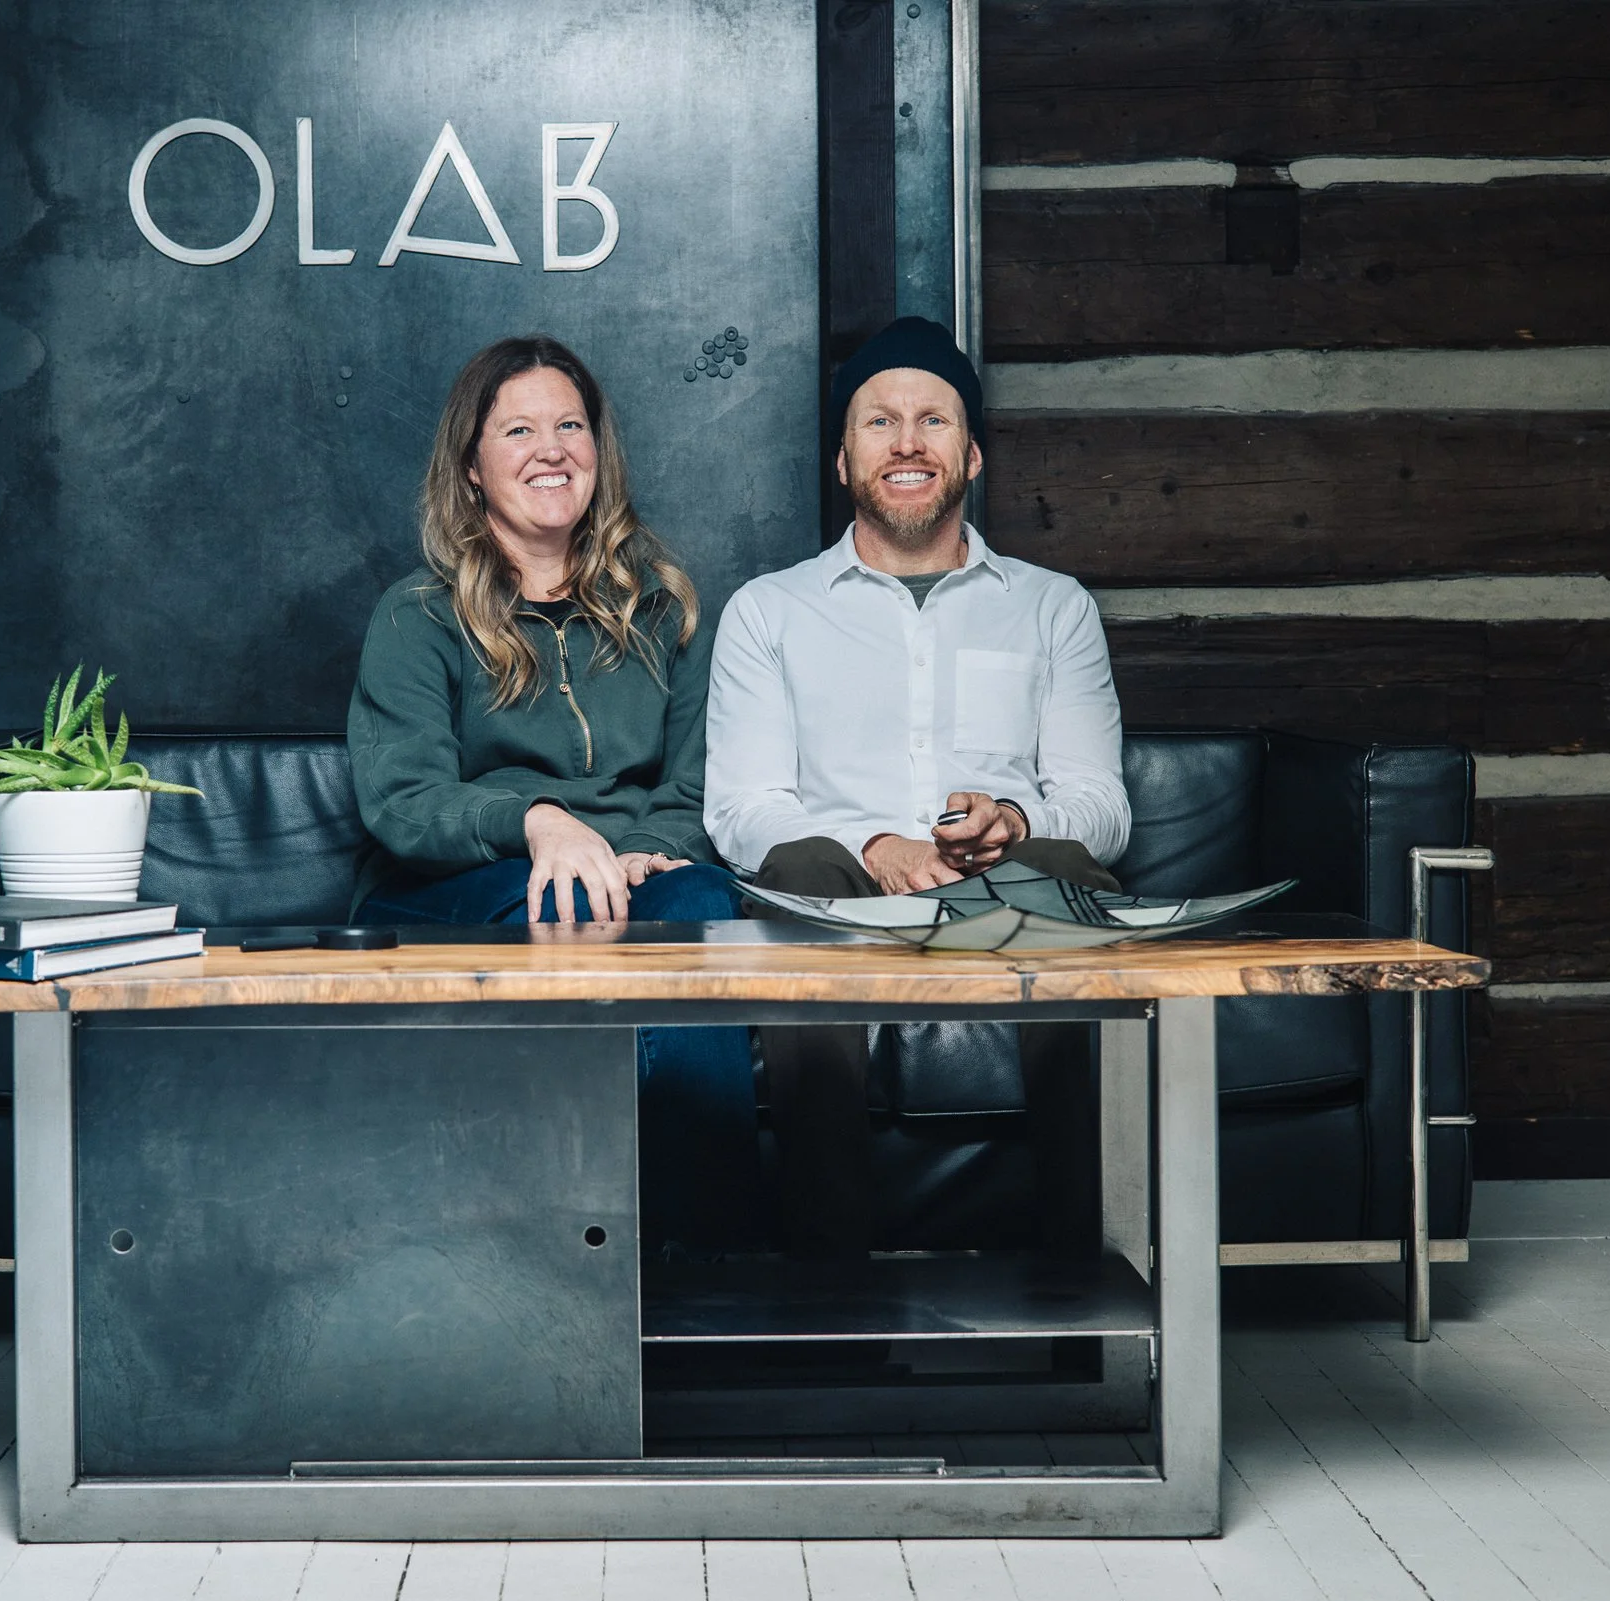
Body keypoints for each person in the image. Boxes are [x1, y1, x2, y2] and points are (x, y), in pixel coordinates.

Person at [704, 315, 1132, 1258]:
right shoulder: (769, 612)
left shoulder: (1052, 606)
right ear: (842, 460)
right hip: (843, 893)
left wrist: (1011, 823)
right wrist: (877, 848)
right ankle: (834, 1277)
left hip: (1003, 892)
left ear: (971, 455)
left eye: (933, 420)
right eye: (879, 422)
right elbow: (741, 809)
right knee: (799, 867)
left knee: (1068, 866)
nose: (907, 443)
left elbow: (1101, 807)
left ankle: (1087, 1273)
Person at [349, 335, 756, 1247]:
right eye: (518, 430)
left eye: (571, 426)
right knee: (573, 902)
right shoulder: (418, 615)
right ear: (471, 467)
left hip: (633, 883)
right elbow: (402, 800)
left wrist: (647, 850)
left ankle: (709, 1272)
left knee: (700, 901)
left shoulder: (665, 607)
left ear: (598, 453)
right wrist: (538, 822)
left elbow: (696, 781)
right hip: (457, 890)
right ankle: (560, 1261)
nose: (551, 450)